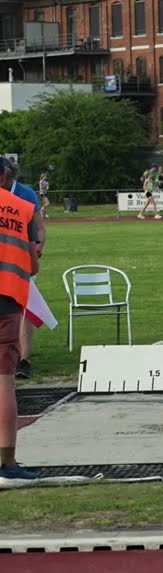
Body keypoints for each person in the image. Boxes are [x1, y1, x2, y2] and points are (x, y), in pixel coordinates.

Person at [0, 163, 40, 483]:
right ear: (4, 177)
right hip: (7, 302)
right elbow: (33, 263)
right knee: (4, 384)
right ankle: (8, 462)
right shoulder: (23, 209)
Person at [0, 162, 44, 380]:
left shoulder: (25, 195)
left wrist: (37, 249)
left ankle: (24, 360)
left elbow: (39, 228)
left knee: (26, 311)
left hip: (19, 265)